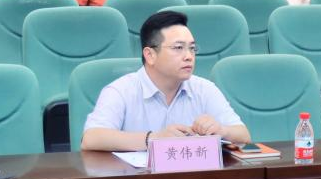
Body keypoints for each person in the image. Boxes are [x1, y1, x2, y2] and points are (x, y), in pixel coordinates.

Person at [82, 10, 251, 151]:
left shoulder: (205, 89)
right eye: (178, 48)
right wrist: (153, 139)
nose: (188, 56)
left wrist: (221, 130)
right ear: (150, 55)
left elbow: (243, 135)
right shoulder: (120, 91)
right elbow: (91, 138)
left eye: (192, 48)